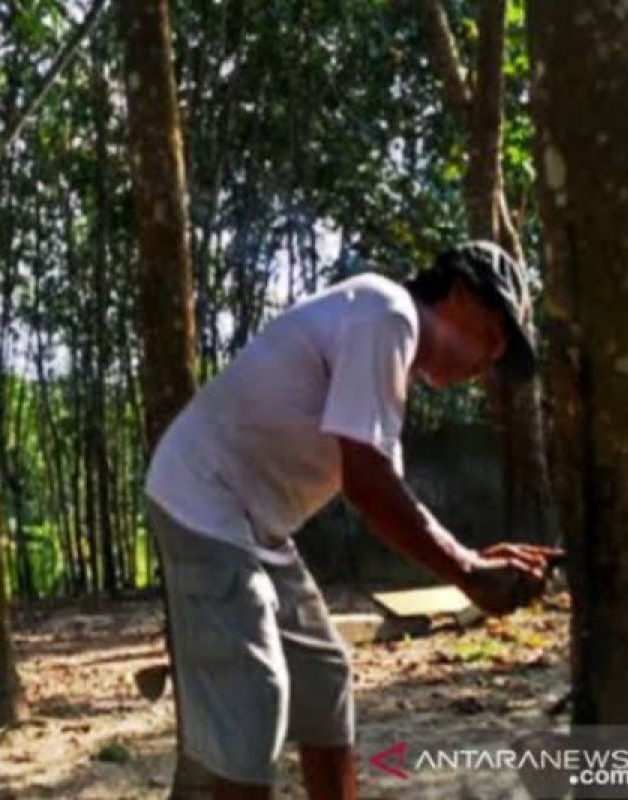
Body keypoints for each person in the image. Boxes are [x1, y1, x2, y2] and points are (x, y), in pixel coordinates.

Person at [144, 241, 562, 799]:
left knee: (322, 675)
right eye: (493, 337)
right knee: (256, 695)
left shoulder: (388, 346)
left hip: (255, 524)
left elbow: (386, 493)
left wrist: (476, 563)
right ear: (460, 292)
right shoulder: (387, 314)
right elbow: (368, 485)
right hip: (202, 497)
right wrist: (468, 571)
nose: (488, 361)